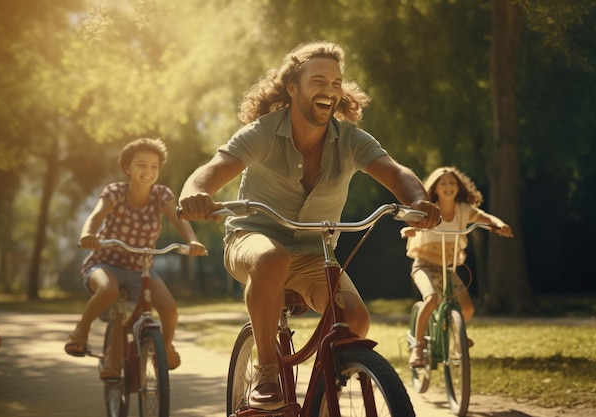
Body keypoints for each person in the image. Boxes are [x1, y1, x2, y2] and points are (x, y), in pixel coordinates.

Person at [177, 40, 440, 410]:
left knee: (355, 321)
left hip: (314, 253)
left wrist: (417, 201)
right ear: (292, 87)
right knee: (271, 258)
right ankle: (267, 371)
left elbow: (397, 173)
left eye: (336, 83)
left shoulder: (350, 140)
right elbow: (210, 171)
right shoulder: (263, 132)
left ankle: (322, 388)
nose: (329, 90)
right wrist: (196, 193)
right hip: (252, 239)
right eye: (319, 80)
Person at [64, 137, 207, 380]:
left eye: (154, 166)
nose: (148, 171)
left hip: (141, 267)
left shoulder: (162, 195)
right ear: (127, 168)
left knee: (169, 310)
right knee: (109, 291)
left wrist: (192, 241)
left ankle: (166, 345)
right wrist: (88, 234)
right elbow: (96, 216)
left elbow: (180, 220)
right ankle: (81, 331)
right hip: (105, 262)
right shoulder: (115, 192)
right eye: (141, 165)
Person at [401, 166, 513, 368]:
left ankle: (455, 339)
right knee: (432, 299)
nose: (448, 186)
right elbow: (410, 223)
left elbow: (486, 218)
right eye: (443, 183)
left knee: (468, 308)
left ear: (458, 187)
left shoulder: (463, 210)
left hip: (447, 269)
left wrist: (499, 225)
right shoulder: (428, 208)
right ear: (435, 188)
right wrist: (408, 230)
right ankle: (417, 348)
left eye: (452, 182)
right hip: (423, 267)